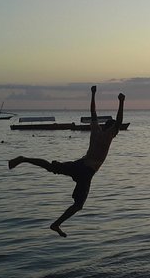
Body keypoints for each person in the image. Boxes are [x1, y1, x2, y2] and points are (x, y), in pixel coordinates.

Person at [8, 86, 125, 237]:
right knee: (78, 205)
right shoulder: (109, 135)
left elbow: (93, 112)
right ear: (113, 129)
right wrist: (121, 102)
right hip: (86, 172)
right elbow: (119, 121)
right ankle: (56, 224)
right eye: (116, 129)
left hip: (79, 164)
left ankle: (24, 159)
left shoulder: (95, 130)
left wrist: (93, 93)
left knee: (51, 167)